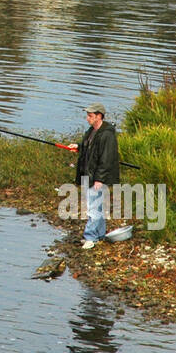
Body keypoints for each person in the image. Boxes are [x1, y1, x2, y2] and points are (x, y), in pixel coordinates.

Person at [69, 102, 120, 250]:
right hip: (88, 174)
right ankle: (99, 234)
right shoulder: (92, 131)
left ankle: (90, 237)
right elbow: (89, 147)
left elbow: (106, 159)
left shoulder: (107, 135)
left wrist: (99, 179)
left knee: (93, 208)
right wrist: (78, 146)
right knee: (96, 206)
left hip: (97, 177)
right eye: (87, 115)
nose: (87, 118)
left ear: (99, 116)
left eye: (90, 116)